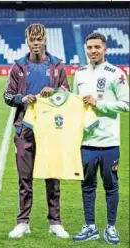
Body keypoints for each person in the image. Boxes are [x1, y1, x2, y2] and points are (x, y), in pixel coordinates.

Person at [3, 23, 70, 239]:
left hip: (51, 129)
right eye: (32, 39)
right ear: (27, 41)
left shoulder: (58, 66)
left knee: (52, 176)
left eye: (39, 39)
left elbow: (68, 95)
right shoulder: (18, 66)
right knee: (25, 178)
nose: (36, 43)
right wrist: (22, 98)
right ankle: (23, 222)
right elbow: (7, 96)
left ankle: (55, 222)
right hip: (25, 129)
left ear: (45, 40)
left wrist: (56, 92)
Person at [72, 32, 129, 245]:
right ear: (85, 49)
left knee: (110, 186)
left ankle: (111, 228)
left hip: (109, 142)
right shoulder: (80, 73)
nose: (93, 51)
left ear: (105, 49)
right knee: (87, 185)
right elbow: (76, 103)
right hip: (86, 142)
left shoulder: (116, 73)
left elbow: (126, 104)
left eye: (97, 47)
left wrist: (99, 104)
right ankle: (90, 227)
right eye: (90, 47)